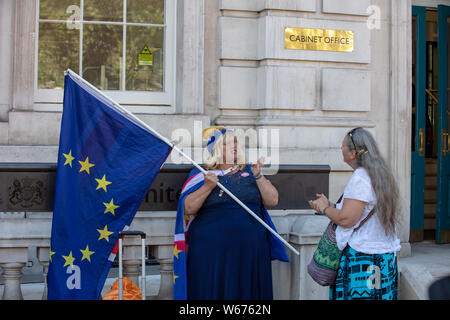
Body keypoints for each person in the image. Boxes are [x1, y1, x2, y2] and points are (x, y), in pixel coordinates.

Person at [173, 127, 288, 300]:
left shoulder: (251, 170)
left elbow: (273, 200)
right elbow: (188, 209)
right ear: (217, 149)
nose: (235, 145)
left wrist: (259, 177)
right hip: (211, 253)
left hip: (250, 251)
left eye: (236, 141)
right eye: (228, 143)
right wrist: (208, 186)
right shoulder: (201, 174)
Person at [309, 127, 401, 300]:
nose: (340, 149)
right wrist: (332, 205)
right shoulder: (380, 174)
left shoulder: (361, 177)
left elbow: (346, 219)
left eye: (343, 146)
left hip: (363, 259)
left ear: (353, 153)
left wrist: (324, 209)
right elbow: (361, 211)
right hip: (383, 256)